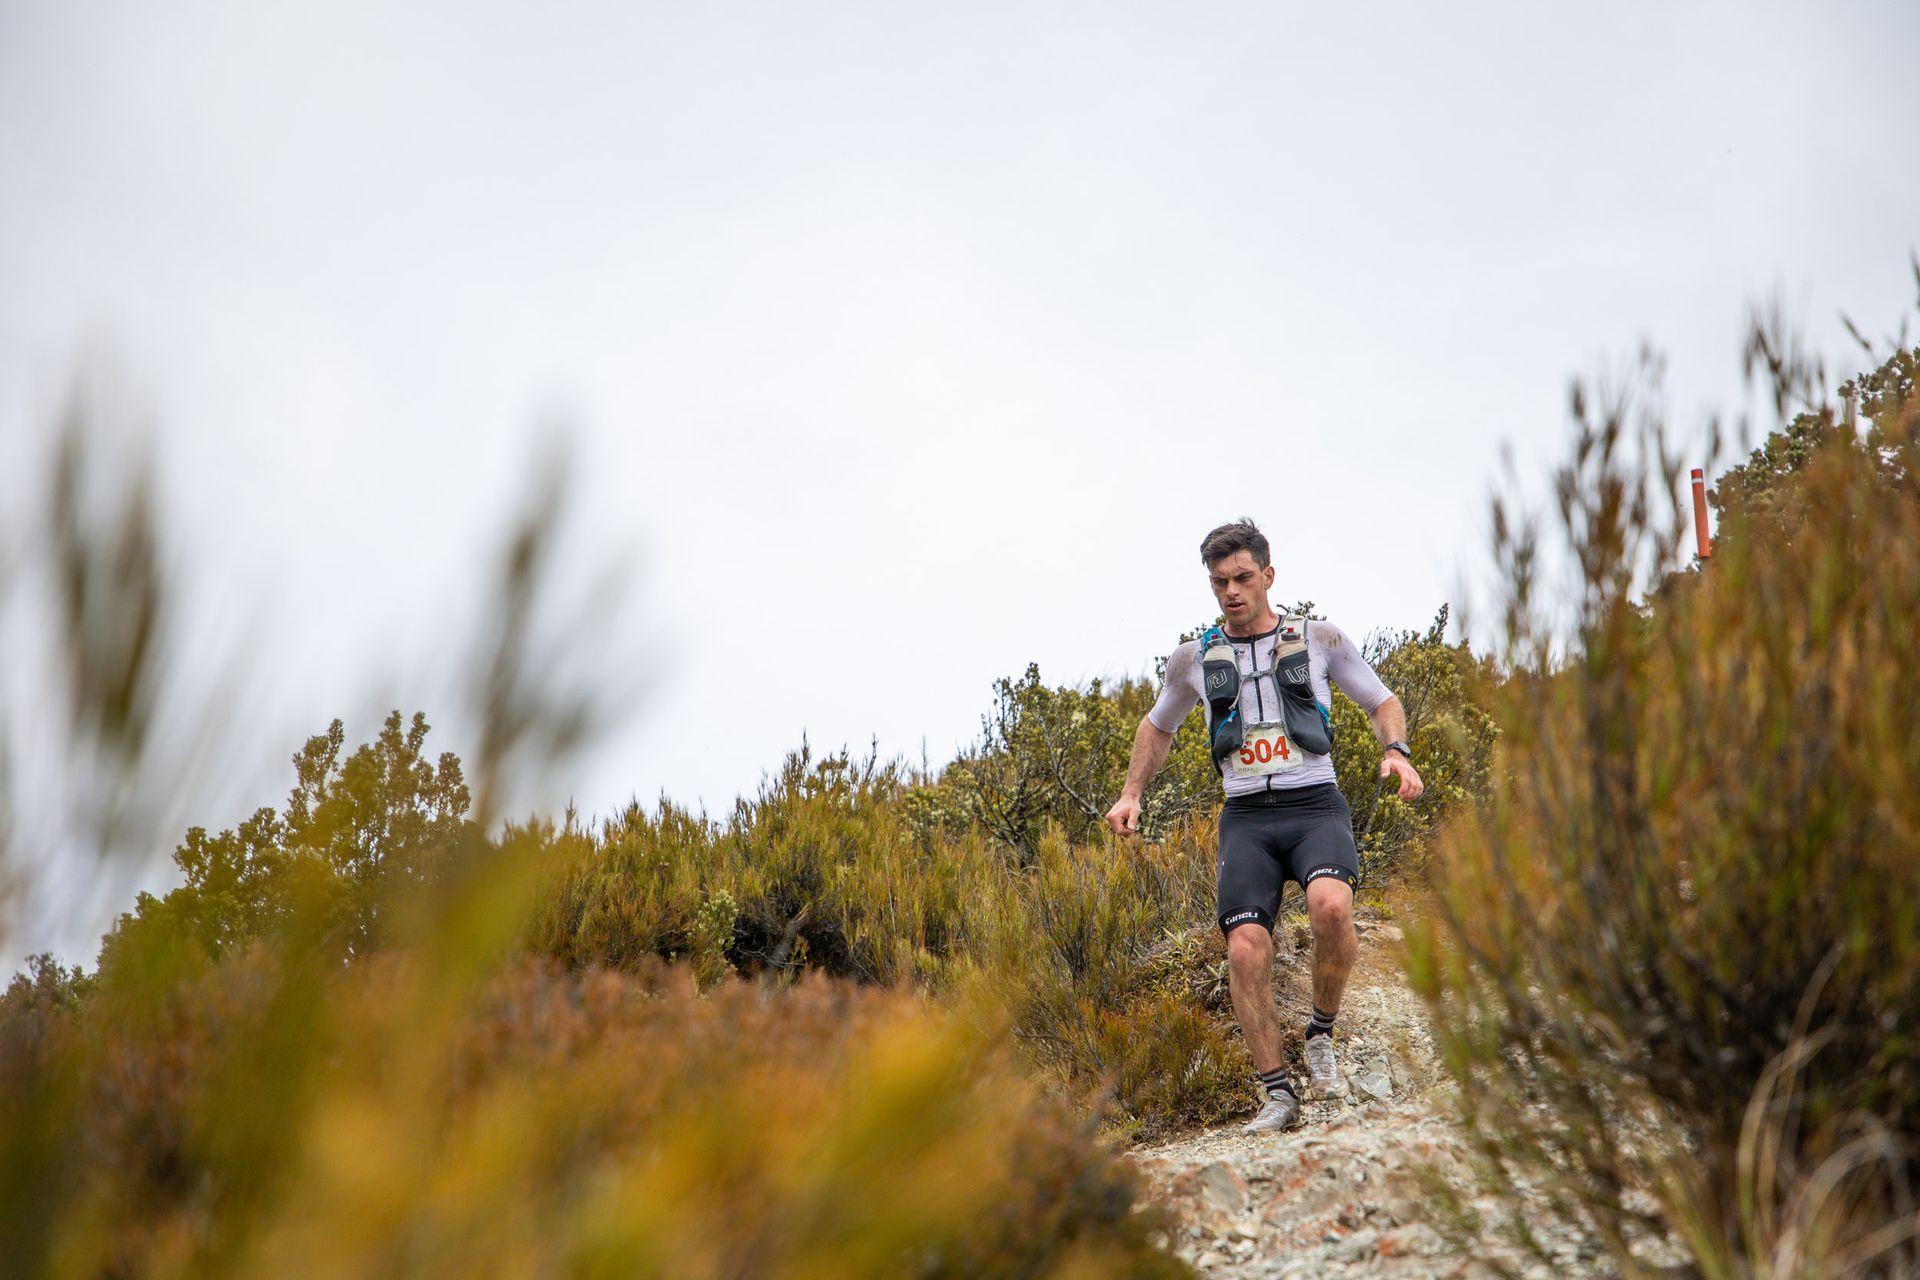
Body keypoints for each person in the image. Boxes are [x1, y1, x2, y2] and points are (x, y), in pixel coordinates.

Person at [1105, 518, 1424, 1133]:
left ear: (1268, 576)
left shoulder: (1320, 639)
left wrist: (1396, 751)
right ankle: (1277, 1094)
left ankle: (1322, 1033)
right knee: (1246, 948)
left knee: (1332, 908)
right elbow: (1157, 725)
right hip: (1247, 818)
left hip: (1314, 805)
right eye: (1219, 581)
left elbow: (1382, 701)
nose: (1231, 591)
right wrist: (1131, 794)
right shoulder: (1192, 660)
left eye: (1243, 577)